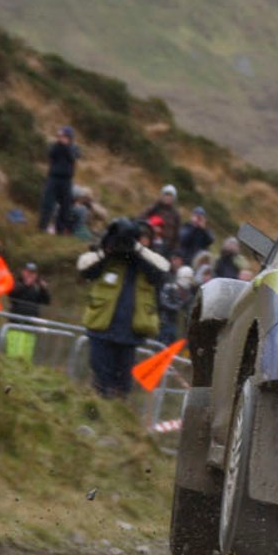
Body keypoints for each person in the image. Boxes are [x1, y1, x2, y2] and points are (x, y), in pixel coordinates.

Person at [79, 218, 168, 398]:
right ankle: (96, 408)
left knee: (122, 383)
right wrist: (107, 249)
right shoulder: (107, 255)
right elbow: (83, 268)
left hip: (129, 333)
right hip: (102, 327)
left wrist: (136, 249)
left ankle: (117, 413)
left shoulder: (150, 263)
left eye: (144, 238)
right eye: (138, 238)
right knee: (100, 377)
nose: (140, 241)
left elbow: (163, 269)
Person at [40, 126, 79, 233]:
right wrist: (59, 144)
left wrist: (66, 147)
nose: (61, 138)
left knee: (65, 206)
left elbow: (73, 158)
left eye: (64, 136)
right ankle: (42, 226)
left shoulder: (74, 147)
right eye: (59, 136)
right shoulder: (55, 146)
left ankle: (60, 229)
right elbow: (51, 155)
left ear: (70, 137)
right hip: (53, 178)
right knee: (47, 203)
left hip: (66, 180)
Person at [143, 184, 182, 254]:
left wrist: (175, 251)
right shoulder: (155, 207)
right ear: (162, 196)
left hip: (167, 247)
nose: (168, 197)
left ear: (174, 198)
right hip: (152, 242)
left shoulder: (176, 214)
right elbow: (142, 217)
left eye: (170, 196)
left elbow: (177, 235)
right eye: (166, 195)